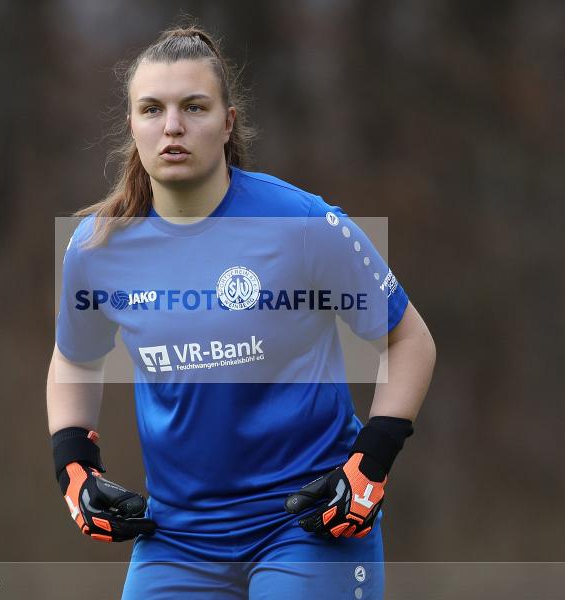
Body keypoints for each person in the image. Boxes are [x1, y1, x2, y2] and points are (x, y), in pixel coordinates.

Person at [46, 23, 436, 599]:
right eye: (152, 109)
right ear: (131, 124)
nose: (172, 126)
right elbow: (74, 359)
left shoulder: (303, 224)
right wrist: (75, 466)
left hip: (306, 523)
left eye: (193, 107)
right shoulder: (96, 248)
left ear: (228, 122)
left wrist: (370, 461)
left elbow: (409, 340)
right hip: (176, 537)